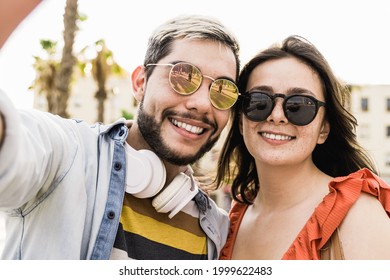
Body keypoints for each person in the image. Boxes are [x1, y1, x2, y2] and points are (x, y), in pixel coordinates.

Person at [0, 14, 241, 260]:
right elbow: (15, 146)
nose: (202, 104)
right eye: (183, 76)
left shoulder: (217, 233)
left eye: (223, 91)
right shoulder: (68, 153)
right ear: (140, 83)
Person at [215, 35, 390, 260]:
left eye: (299, 105)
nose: (276, 116)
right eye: (260, 101)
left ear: (324, 129)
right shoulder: (231, 220)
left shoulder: (358, 215)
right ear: (241, 120)